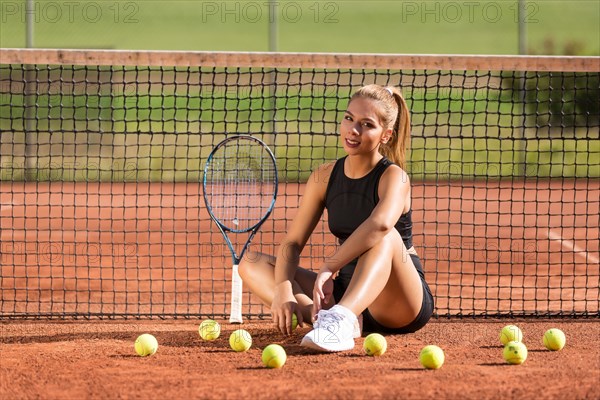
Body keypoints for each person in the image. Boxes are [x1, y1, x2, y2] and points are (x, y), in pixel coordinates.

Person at [238, 84, 434, 352]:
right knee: (249, 263)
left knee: (387, 236)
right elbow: (292, 243)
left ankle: (341, 318)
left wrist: (329, 266)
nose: (353, 130)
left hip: (398, 301)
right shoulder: (324, 176)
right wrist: (283, 289)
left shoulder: (394, 177)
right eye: (349, 118)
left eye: (367, 125)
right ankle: (326, 318)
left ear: (386, 136)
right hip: (345, 289)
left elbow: (380, 225)